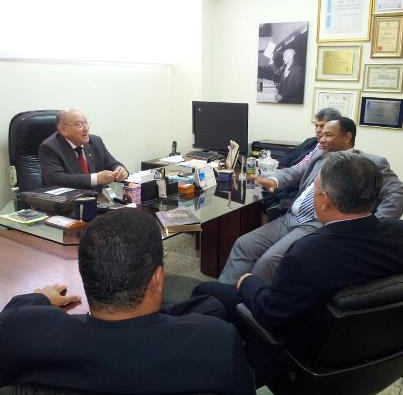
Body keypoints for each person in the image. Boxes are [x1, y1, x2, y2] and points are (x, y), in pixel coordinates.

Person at [193, 152, 403, 385]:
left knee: (205, 291)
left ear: (324, 200)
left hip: (299, 352)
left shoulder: (306, 254)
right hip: (369, 350)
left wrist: (247, 281)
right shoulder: (398, 234)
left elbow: (271, 314)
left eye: (315, 191)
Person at [0, 209, 255, 394]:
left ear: (85, 273)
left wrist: (42, 296)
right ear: (157, 279)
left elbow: (12, 314)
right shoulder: (215, 341)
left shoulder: (22, 333)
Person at [220, 117, 403, 285]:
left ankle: (249, 303)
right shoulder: (319, 155)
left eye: (328, 135)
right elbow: (294, 172)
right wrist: (274, 180)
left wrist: (372, 225)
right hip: (291, 217)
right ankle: (224, 296)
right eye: (321, 134)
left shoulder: (369, 163)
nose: (321, 139)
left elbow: (397, 192)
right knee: (243, 244)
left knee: (268, 261)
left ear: (347, 137)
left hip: (317, 224)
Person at [39, 108, 129, 190]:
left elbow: (112, 163)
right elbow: (56, 179)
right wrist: (96, 178)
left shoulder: (95, 141)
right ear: (63, 129)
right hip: (67, 200)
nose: (86, 128)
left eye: (86, 122)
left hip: (97, 199)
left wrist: (121, 170)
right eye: (79, 125)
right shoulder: (49, 147)